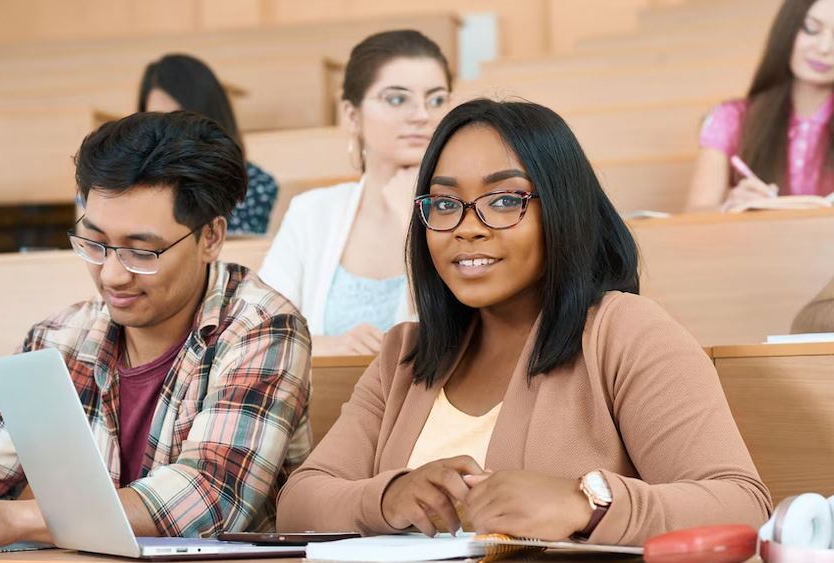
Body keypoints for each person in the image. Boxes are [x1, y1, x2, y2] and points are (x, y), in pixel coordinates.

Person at [276, 99, 772, 545]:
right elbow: (300, 503)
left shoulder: (625, 332)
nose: (467, 228)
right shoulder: (405, 354)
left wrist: (586, 505)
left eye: (505, 200)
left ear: (563, 210)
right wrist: (390, 498)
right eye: (445, 204)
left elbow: (742, 506)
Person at [0, 112, 312, 545]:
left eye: (141, 252)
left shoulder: (263, 328)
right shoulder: (56, 338)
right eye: (94, 243)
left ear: (211, 238)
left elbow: (211, 496)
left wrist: (18, 521)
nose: (111, 276)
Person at [257, 30, 452, 355]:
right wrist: (326, 346)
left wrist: (412, 221)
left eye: (436, 100)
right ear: (352, 115)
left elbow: (461, 334)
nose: (421, 115)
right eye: (397, 98)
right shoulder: (312, 212)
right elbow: (259, 333)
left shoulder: (468, 212)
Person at [687, 0, 834, 212]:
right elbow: (695, 213)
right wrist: (732, 207)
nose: (824, 48)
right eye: (811, 29)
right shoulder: (731, 118)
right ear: (787, 30)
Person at [139, 54, 279, 235]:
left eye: (180, 119)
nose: (168, 133)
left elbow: (232, 253)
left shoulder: (257, 184)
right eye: (156, 120)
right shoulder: (131, 177)